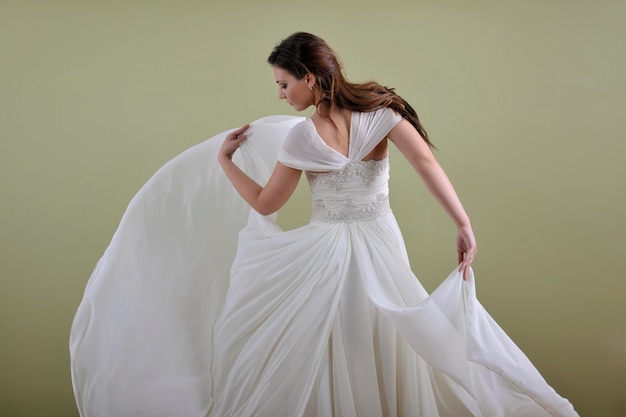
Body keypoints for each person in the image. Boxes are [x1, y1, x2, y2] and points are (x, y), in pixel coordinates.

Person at [70, 32, 579, 417]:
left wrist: (225, 163)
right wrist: (463, 223)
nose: (280, 95)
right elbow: (427, 165)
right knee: (387, 332)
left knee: (335, 339)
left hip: (327, 250)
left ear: (309, 78)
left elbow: (267, 205)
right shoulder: (384, 115)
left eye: (283, 84)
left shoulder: (302, 140)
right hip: (380, 239)